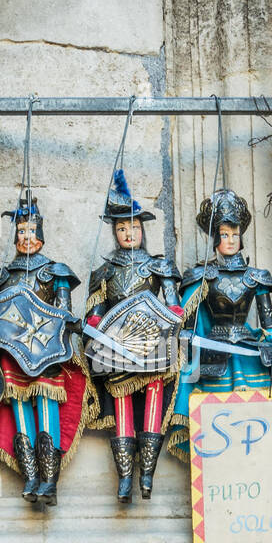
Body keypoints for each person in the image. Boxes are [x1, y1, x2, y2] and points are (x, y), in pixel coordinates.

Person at [0, 194, 94, 507]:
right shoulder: (2, 278)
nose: (27, 237)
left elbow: (62, 313)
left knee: (46, 412)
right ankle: (31, 476)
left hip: (46, 354)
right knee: (19, 415)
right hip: (13, 356)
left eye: (31, 231)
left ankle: (49, 480)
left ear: (40, 235)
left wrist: (71, 322)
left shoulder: (55, 272)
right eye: (21, 232)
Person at [165, 189, 272, 460]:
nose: (231, 239)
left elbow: (267, 319)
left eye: (235, 233)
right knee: (215, 415)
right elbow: (186, 319)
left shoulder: (256, 276)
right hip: (214, 344)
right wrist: (187, 341)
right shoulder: (203, 275)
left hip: (246, 343)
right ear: (215, 238)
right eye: (224, 234)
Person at [85, 169, 183, 502]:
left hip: (153, 346)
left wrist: (174, 317)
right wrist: (94, 325)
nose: (129, 232)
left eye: (135, 227)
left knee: (155, 392)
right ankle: (125, 476)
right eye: (123, 228)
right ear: (115, 231)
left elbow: (173, 306)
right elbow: (96, 310)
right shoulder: (105, 270)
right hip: (116, 347)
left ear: (142, 229)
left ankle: (147, 474)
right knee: (121, 399)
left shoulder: (160, 266)